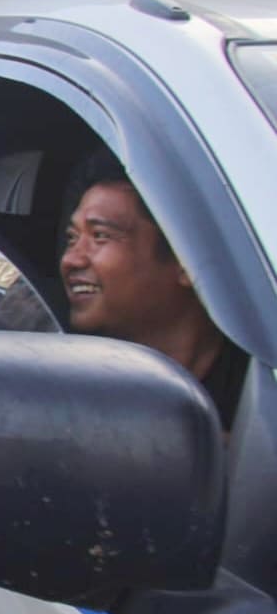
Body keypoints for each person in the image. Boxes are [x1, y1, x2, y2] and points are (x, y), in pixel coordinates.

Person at [61, 153, 248, 431]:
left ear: (186, 261)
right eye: (72, 238)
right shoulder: (64, 378)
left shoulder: (258, 387)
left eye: (100, 236)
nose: (71, 259)